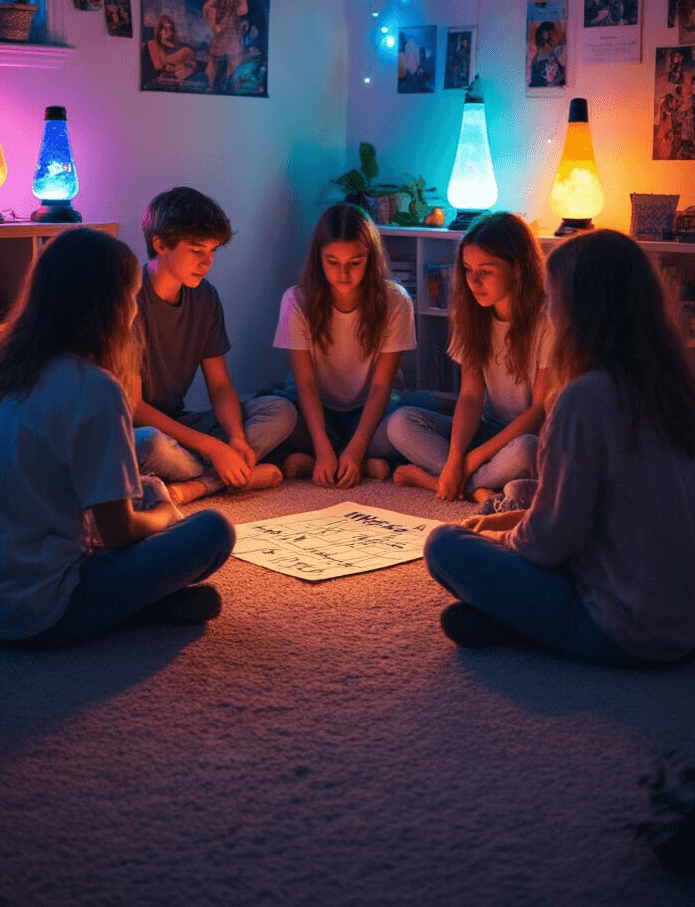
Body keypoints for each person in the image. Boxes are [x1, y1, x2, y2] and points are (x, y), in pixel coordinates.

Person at [425, 229, 695, 666]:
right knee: (510, 506)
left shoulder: (585, 397)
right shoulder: (674, 388)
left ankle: (523, 625)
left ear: (580, 310)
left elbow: (550, 543)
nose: (547, 310)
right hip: (685, 625)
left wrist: (502, 539)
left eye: (552, 300)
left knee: (444, 544)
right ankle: (513, 619)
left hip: (621, 628)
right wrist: (506, 523)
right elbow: (605, 513)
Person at [0, 229, 235, 647]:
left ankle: (145, 603)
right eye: (131, 298)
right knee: (213, 530)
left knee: (141, 483)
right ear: (108, 306)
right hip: (43, 610)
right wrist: (162, 513)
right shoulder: (95, 389)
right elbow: (118, 532)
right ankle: (136, 609)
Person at [133, 187, 296, 503]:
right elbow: (135, 407)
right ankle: (227, 476)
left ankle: (199, 483)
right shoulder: (129, 301)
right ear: (161, 244)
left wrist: (234, 439)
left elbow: (220, 385)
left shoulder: (205, 296)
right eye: (196, 251)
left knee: (281, 411)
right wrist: (212, 447)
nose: (207, 262)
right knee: (152, 445)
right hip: (139, 431)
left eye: (213, 251)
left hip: (181, 426)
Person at [389, 212, 551, 501]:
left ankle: (435, 482)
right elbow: (471, 398)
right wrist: (455, 457)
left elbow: (538, 412)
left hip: (529, 437)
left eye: (486, 271)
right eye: (467, 269)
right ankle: (473, 485)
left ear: (517, 269)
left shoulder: (547, 321)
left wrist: (473, 458)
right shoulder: (473, 316)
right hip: (487, 430)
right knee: (400, 422)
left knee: (526, 450)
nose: (474, 281)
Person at [272, 204, 416, 487]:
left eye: (354, 263)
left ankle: (328, 458)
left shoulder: (395, 301)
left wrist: (358, 446)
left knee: (409, 418)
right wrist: (322, 443)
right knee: (278, 413)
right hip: (315, 410)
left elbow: (381, 387)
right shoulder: (296, 301)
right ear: (318, 258)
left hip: (371, 411)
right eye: (332, 262)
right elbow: (306, 384)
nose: (343, 274)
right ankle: (342, 459)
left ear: (370, 260)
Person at [202, 0, 243, 92]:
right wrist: (214, 26)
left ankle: (232, 86)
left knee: (234, 62)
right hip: (220, 35)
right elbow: (208, 11)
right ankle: (210, 86)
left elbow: (241, 8)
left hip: (232, 34)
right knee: (214, 62)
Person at [145, 14, 197, 83]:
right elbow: (158, 66)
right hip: (167, 77)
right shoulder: (153, 44)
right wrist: (176, 68)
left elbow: (191, 63)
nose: (168, 32)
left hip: (184, 72)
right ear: (159, 31)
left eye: (171, 29)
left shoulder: (178, 45)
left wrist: (177, 67)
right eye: (165, 29)